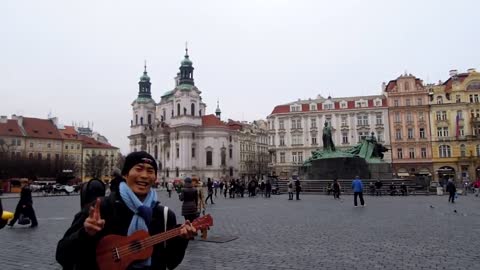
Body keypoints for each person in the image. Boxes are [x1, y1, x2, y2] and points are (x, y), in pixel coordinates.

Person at [56, 151, 196, 270]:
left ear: (155, 178)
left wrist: (181, 240)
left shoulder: (164, 216)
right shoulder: (100, 209)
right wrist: (85, 233)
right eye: (139, 168)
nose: (144, 175)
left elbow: (170, 263)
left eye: (150, 171)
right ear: (125, 174)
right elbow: (62, 256)